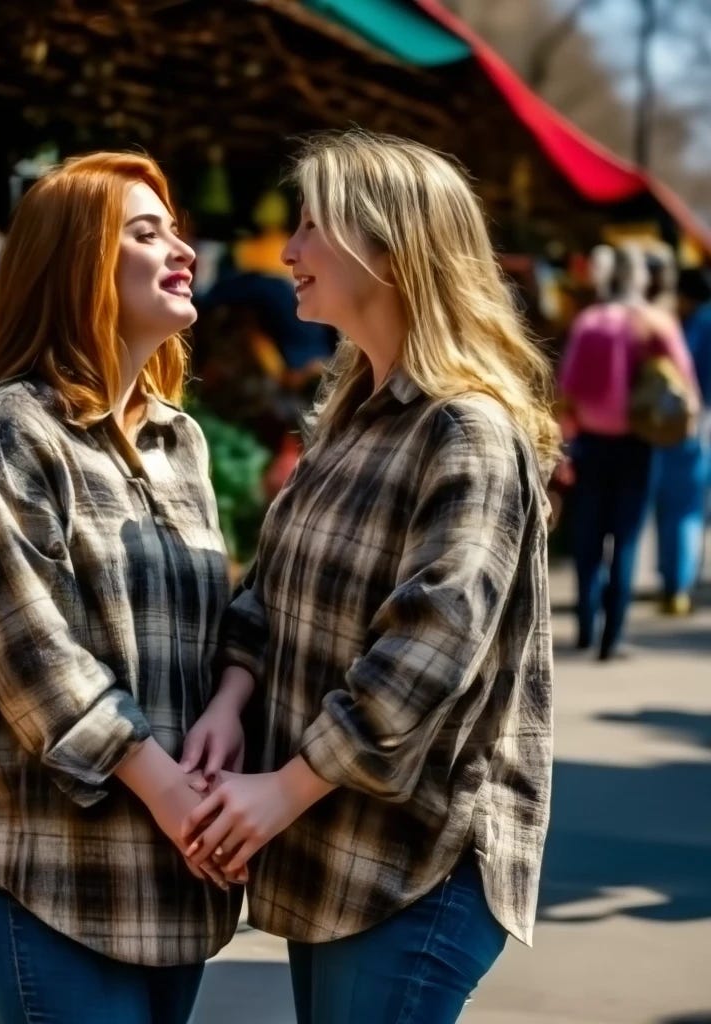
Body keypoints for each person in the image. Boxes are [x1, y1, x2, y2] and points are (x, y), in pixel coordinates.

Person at [178, 129, 559, 1024]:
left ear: (390, 249)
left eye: (314, 226)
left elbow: (428, 652)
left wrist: (281, 788)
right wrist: (234, 699)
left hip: (415, 861)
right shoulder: (353, 416)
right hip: (335, 852)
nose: (289, 251)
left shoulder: (466, 429)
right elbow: (268, 588)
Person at [0, 151, 241, 1024]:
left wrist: (228, 715)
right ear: (77, 268)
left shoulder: (184, 443)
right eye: (146, 233)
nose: (180, 248)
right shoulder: (10, 432)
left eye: (175, 229)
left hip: (177, 885)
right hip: (56, 887)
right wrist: (168, 787)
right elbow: (34, 657)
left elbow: (206, 631)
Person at [558, 244, 698, 657]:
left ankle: (585, 625)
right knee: (626, 540)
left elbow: (567, 390)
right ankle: (611, 636)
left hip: (588, 443)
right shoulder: (655, 323)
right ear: (641, 278)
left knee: (588, 536)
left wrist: (566, 442)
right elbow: (684, 388)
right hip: (638, 444)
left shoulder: (589, 323)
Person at [652, 266, 711, 613]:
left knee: (676, 508)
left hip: (684, 425)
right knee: (689, 509)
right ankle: (681, 583)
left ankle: (674, 583)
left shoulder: (688, 326)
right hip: (701, 426)